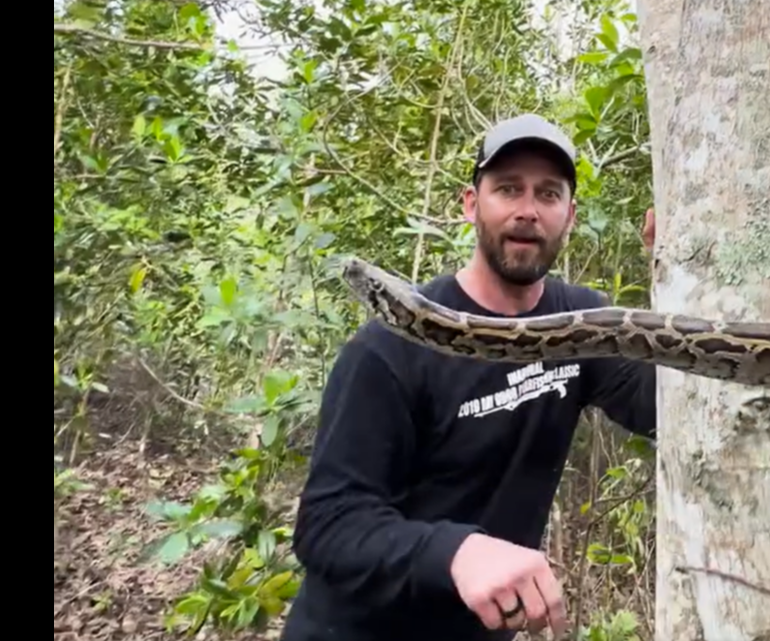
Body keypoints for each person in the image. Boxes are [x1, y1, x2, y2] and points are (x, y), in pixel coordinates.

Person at [280, 113, 657, 641]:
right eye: (508, 189)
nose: (528, 210)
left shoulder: (582, 323)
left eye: (548, 194)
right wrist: (456, 551)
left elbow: (666, 410)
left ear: (569, 216)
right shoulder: (392, 345)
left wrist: (678, 272)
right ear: (470, 204)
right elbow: (328, 525)